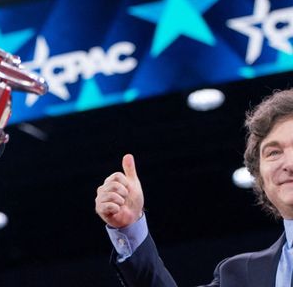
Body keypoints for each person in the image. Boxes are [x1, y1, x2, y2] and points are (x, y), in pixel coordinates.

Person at [94, 89, 293, 287]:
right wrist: (129, 227)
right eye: (274, 152)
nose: (289, 163)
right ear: (260, 175)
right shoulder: (238, 275)